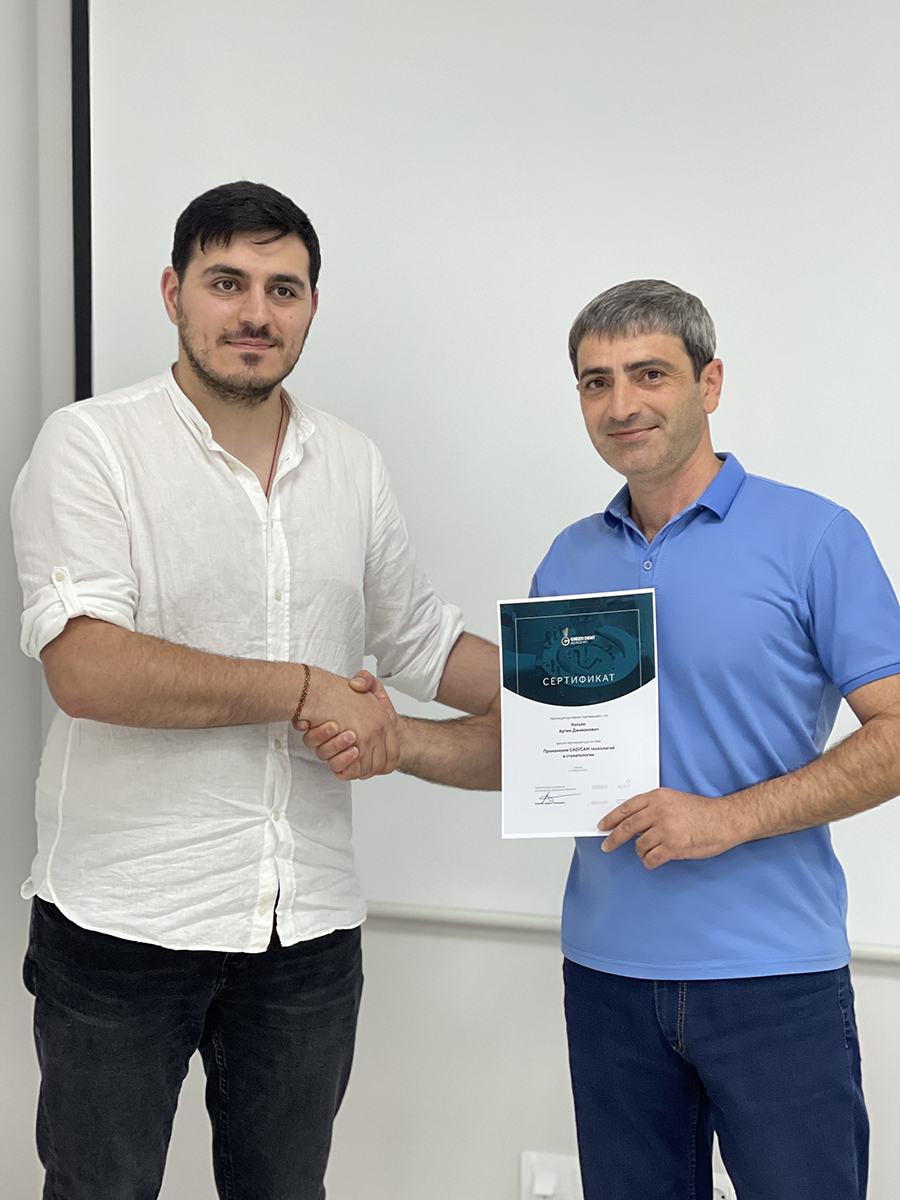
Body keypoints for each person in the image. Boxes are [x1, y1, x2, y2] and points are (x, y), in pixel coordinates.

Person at [308, 279, 900, 1199]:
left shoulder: (814, 537)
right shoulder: (571, 559)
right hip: (607, 979)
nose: (621, 404)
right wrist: (401, 741)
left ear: (709, 383)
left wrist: (727, 819)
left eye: (649, 374)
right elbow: (531, 747)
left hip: (773, 977)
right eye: (596, 381)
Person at [11, 180, 497, 1200]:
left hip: (303, 931)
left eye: (284, 289)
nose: (255, 313)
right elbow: (86, 667)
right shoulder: (91, 445)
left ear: (312, 306)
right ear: (173, 293)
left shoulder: (351, 463)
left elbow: (421, 640)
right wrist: (305, 687)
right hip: (123, 924)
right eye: (226, 282)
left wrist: (595, 682)